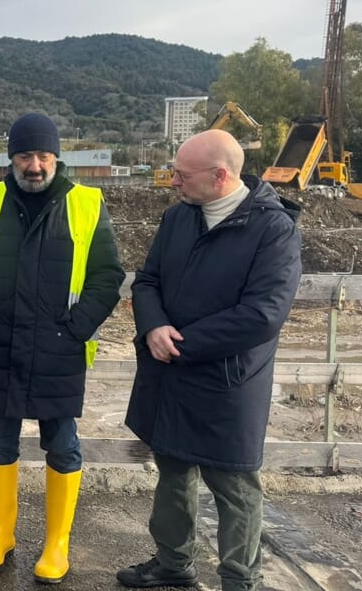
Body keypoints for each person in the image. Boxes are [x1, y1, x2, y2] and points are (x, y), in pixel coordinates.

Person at [116, 129, 301, 591]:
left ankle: (239, 580)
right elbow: (148, 280)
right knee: (172, 473)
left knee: (234, 486)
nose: (174, 182)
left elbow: (262, 315)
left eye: (182, 174)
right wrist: (153, 326)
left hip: (228, 382)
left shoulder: (273, 229)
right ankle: (173, 563)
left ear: (219, 176)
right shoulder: (179, 217)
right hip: (170, 374)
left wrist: (181, 343)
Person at [0, 112, 125, 583]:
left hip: (58, 351)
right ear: (11, 159)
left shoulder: (86, 204)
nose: (35, 165)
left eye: (44, 155)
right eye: (25, 155)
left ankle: (56, 545)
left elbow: (108, 276)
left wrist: (77, 328)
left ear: (56, 158)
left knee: (62, 445)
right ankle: (0, 536)